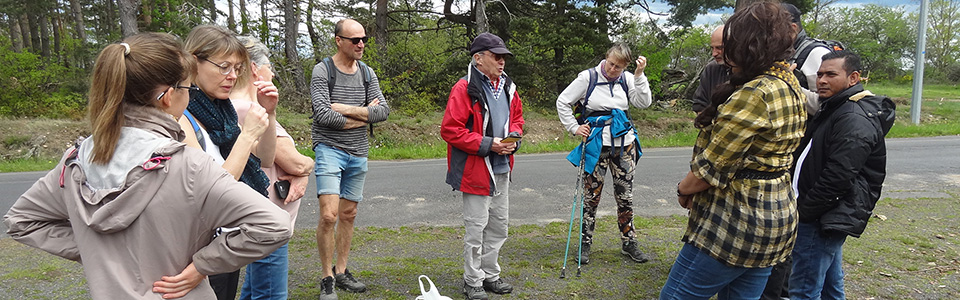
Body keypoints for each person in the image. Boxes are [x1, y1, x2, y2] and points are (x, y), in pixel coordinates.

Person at [3, 32, 291, 300]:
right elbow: (274, 225)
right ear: (168, 96)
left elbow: (21, 221)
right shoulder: (188, 164)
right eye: (187, 88)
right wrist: (201, 266)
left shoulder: (75, 160)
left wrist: (99, 252)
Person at [660, 2, 807, 299]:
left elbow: (711, 168)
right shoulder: (789, 83)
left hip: (736, 222)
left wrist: (682, 189)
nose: (725, 53)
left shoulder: (754, 94)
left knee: (675, 296)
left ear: (748, 45)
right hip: (776, 218)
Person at [180, 24, 280, 300]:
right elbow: (212, 190)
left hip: (223, 236)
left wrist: (268, 114)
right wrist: (247, 135)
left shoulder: (221, 111)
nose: (232, 77)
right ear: (193, 62)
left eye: (237, 68)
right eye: (224, 67)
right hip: (195, 244)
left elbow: (266, 159)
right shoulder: (182, 117)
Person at [788, 50, 895, 300]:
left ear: (853, 77)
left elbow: (838, 177)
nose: (822, 81)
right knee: (829, 286)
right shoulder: (836, 107)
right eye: (820, 75)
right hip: (822, 215)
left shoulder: (853, 117)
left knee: (804, 290)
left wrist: (804, 212)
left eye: (831, 75)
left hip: (820, 218)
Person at [309, 18, 390, 300]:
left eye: (364, 39)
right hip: (329, 148)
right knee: (328, 215)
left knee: (349, 214)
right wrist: (364, 114)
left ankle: (341, 271)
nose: (361, 44)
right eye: (355, 40)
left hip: (358, 151)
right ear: (338, 41)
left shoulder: (367, 73)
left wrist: (344, 108)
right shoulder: (323, 71)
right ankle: (326, 277)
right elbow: (323, 116)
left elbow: (383, 111)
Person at [229, 35, 314, 300]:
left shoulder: (233, 107)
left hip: (260, 219)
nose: (273, 73)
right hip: (267, 221)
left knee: (253, 290)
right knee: (271, 294)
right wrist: (307, 166)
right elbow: (294, 161)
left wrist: (301, 171)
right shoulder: (249, 110)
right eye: (269, 66)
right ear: (254, 68)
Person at [441, 32, 524, 300]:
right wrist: (490, 144)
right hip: (475, 170)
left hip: (502, 168)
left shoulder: (509, 87)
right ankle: (472, 280)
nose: (502, 62)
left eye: (504, 57)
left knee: (499, 226)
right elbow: (450, 130)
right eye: (496, 56)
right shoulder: (464, 88)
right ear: (478, 59)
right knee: (476, 229)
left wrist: (514, 139)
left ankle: (491, 275)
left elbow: (518, 119)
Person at [556, 43, 653, 265]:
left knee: (625, 197)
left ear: (625, 66)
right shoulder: (587, 78)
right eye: (611, 64)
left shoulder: (628, 79)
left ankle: (629, 242)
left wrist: (639, 76)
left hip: (624, 144)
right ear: (606, 58)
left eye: (619, 67)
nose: (612, 70)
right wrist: (574, 127)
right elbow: (563, 101)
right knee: (591, 197)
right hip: (595, 146)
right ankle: (585, 243)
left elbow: (643, 102)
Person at [692, 25, 731, 113]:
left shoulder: (751, 71)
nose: (714, 54)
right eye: (712, 48)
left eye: (719, 48)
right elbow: (699, 105)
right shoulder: (712, 69)